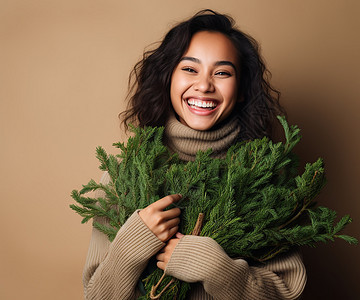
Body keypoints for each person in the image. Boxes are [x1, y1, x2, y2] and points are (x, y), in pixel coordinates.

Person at [83, 9, 306, 299]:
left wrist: (216, 268)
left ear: (240, 90)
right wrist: (130, 246)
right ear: (168, 79)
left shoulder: (268, 178)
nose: (204, 85)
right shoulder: (126, 173)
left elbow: (286, 293)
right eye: (190, 69)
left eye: (222, 72)